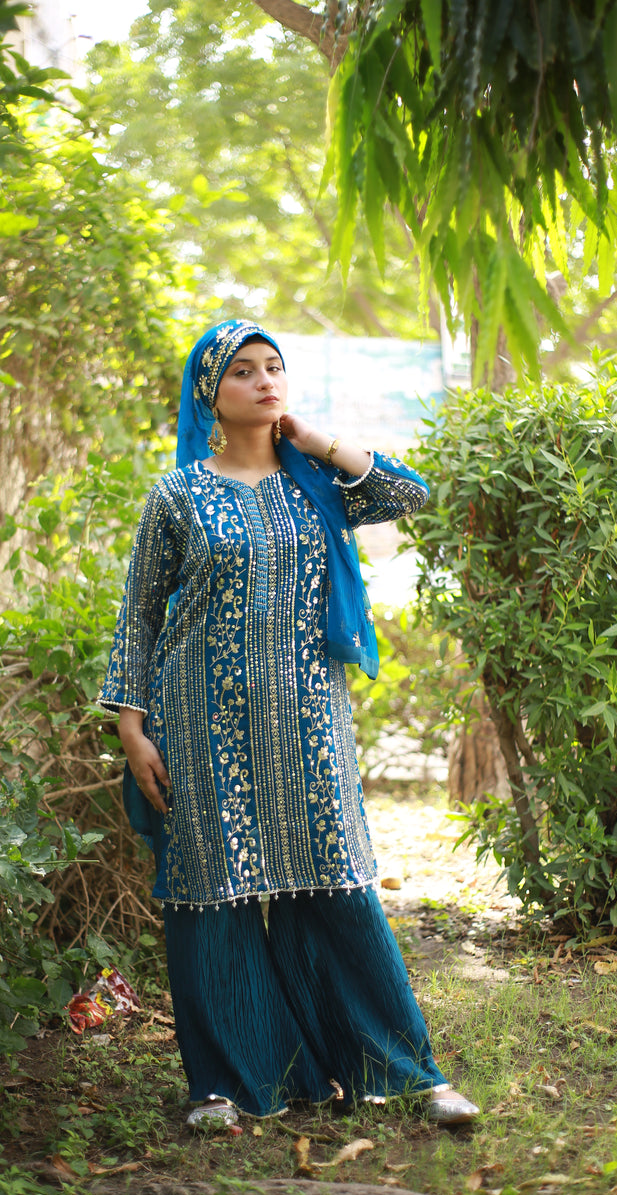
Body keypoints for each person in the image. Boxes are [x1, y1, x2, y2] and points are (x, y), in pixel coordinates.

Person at [98, 319, 478, 1130]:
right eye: (244, 371)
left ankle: (402, 1072)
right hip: (199, 718)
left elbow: (406, 495)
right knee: (213, 896)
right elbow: (137, 618)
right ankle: (229, 1086)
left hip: (308, 716)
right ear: (210, 393)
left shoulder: (313, 476)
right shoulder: (178, 496)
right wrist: (134, 730)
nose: (266, 381)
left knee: (337, 883)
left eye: (275, 368)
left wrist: (320, 438)